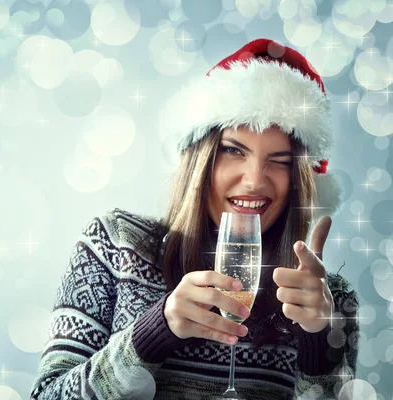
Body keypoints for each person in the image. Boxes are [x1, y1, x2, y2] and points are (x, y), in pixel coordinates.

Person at [30, 38, 359, 399]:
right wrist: (154, 333)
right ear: (200, 159)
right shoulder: (114, 244)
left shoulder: (329, 299)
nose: (254, 180)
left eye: (280, 160)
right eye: (233, 150)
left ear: (300, 179)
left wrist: (318, 344)